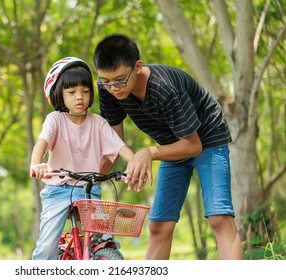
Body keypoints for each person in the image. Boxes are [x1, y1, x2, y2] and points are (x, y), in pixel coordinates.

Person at [92, 34, 243, 260]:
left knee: (219, 219)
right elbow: (114, 143)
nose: (113, 87)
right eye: (106, 80)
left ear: (138, 67)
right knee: (159, 226)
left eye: (120, 79)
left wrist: (150, 152)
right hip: (173, 145)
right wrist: (90, 177)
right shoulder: (107, 89)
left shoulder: (164, 88)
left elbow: (193, 145)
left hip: (206, 138)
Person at [30, 56, 134, 260]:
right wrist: (36, 164)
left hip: (88, 189)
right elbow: (41, 143)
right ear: (59, 95)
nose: (80, 97)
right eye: (72, 92)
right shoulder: (55, 120)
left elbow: (120, 147)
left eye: (85, 91)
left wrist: (135, 164)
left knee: (104, 240)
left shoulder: (98, 123)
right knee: (46, 247)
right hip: (58, 190)